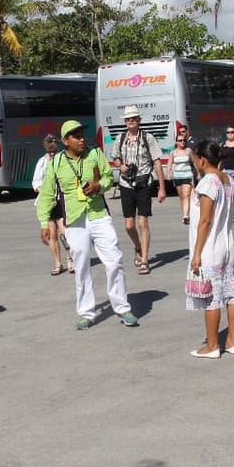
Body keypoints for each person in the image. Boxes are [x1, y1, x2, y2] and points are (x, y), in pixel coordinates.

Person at [38, 120, 139, 331]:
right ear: (66, 141)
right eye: (76, 136)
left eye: (82, 134)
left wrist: (98, 186)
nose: (82, 138)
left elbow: (109, 178)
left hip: (99, 214)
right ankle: (86, 313)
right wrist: (44, 223)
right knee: (82, 266)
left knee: (114, 260)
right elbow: (47, 195)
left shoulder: (95, 154)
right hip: (75, 220)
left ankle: (122, 308)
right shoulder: (56, 163)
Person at [187, 140, 234, 359]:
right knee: (232, 295)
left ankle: (211, 346)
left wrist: (196, 253)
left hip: (211, 248)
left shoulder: (208, 183)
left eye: (195, 160)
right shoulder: (227, 180)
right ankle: (231, 342)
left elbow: (205, 220)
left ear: (202, 159)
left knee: (212, 298)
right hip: (228, 245)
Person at [110, 105, 166, 274]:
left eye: (133, 118)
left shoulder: (148, 138)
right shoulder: (120, 138)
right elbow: (115, 159)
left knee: (142, 222)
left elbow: (157, 162)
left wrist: (161, 188)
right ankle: (138, 247)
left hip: (143, 183)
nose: (131, 121)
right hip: (126, 184)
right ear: (125, 122)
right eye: (128, 119)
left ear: (139, 120)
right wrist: (122, 166)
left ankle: (145, 260)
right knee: (128, 225)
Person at [31, 133, 73, 276]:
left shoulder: (63, 160)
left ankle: (70, 259)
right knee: (52, 235)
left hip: (61, 201)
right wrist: (40, 189)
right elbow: (35, 182)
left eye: (54, 151)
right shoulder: (41, 162)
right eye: (50, 152)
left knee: (65, 232)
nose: (52, 154)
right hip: (48, 202)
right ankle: (57, 263)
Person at [169, 133, 196, 224]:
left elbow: (194, 162)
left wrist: (199, 173)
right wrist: (169, 174)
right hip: (177, 177)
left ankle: (186, 215)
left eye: (184, 140)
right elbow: (169, 164)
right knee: (181, 197)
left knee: (186, 195)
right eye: (180, 140)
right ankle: (185, 213)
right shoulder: (173, 152)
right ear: (176, 142)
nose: (182, 142)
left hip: (188, 175)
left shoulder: (189, 151)